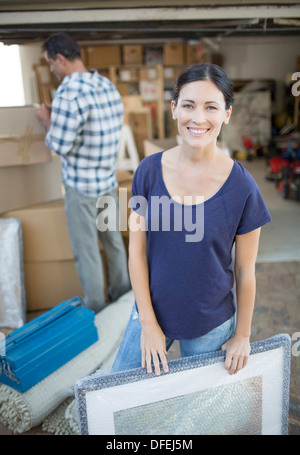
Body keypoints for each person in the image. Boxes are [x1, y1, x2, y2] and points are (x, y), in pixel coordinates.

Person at [111, 63, 271, 376]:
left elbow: (244, 269)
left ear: (226, 113)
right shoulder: (147, 171)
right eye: (188, 105)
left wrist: (242, 335)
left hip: (209, 322)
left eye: (211, 107)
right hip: (151, 310)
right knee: (114, 386)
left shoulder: (243, 187)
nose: (198, 118)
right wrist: (147, 322)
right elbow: (136, 252)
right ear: (173, 109)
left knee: (193, 414)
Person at [37, 33, 130, 313]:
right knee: (113, 243)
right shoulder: (105, 84)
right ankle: (124, 300)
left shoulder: (67, 91)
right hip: (107, 183)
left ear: (60, 59)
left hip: (82, 187)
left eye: (50, 63)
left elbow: (59, 144)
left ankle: (98, 309)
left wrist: (47, 122)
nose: (51, 69)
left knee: (87, 251)